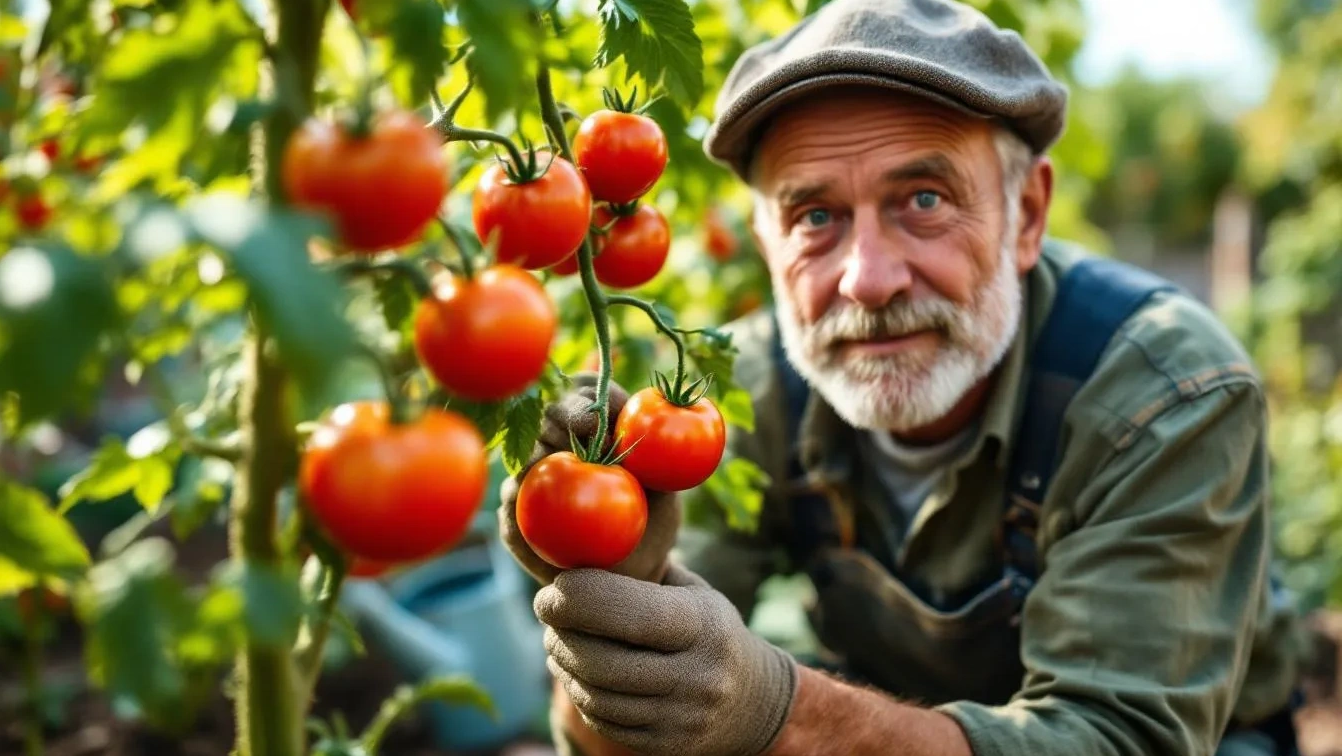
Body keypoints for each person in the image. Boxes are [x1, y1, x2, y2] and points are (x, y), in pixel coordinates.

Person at [498, 0, 1306, 753]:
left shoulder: (1162, 392)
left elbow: (1121, 738)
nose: (867, 280)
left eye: (923, 199)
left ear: (1026, 216)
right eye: (815, 216)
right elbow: (608, 738)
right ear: (766, 241)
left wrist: (775, 709)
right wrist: (611, 610)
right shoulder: (737, 398)